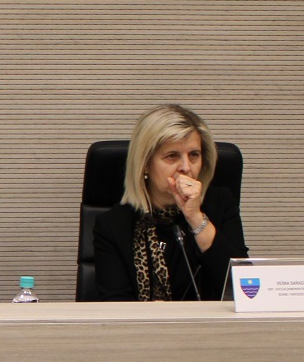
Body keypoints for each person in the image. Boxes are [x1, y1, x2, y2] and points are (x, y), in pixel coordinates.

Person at [90, 104, 248, 302]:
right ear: (145, 164)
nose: (186, 167)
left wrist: (196, 218)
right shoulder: (113, 225)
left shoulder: (220, 206)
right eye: (172, 156)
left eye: (194, 155)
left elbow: (243, 288)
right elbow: (115, 304)